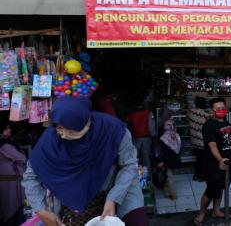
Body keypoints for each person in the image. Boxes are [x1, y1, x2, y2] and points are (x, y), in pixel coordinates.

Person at [22, 96, 148, 226]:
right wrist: (42, 211)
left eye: (64, 126)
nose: (59, 131)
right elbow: (30, 177)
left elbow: (129, 165)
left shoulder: (113, 131)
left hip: (115, 191)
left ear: (83, 124)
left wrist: (114, 199)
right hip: (70, 203)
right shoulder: (51, 140)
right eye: (57, 126)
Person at [194, 98, 231, 226]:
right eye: (217, 108)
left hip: (228, 161)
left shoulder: (226, 123)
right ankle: (201, 213)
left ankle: (216, 211)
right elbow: (212, 145)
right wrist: (220, 160)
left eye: (222, 108)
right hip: (214, 163)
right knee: (211, 189)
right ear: (212, 110)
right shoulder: (209, 125)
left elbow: (228, 138)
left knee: (222, 186)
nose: (220, 110)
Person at [0, 124, 27, 226]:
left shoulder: (6, 142)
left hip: (7, 180)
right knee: (11, 207)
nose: (9, 129)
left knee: (9, 206)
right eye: (6, 128)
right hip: (9, 181)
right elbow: (22, 158)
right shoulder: (4, 144)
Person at [127, 102, 156, 177]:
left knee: (136, 158)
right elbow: (151, 126)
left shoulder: (130, 115)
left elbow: (128, 127)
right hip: (146, 138)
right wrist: (153, 135)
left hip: (135, 138)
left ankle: (138, 176)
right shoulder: (148, 113)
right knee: (146, 157)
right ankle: (148, 176)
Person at [187, 97, 211, 182]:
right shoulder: (205, 114)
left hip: (194, 140)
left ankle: (196, 175)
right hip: (203, 141)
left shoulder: (190, 112)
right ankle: (202, 176)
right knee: (204, 159)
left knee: (198, 159)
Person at [156, 118, 181, 200]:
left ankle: (173, 195)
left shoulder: (163, 138)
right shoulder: (176, 135)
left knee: (169, 176)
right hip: (175, 159)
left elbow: (164, 153)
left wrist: (163, 162)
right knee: (168, 175)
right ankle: (167, 192)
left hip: (167, 160)